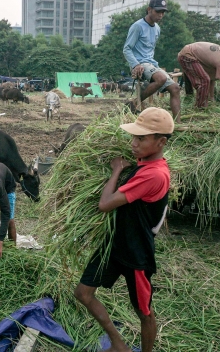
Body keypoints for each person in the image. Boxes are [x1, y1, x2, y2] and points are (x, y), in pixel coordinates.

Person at [74, 107, 174, 352]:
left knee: (144, 312)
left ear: (161, 142)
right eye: (133, 137)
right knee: (83, 293)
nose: (134, 143)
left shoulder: (154, 174)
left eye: (141, 138)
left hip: (136, 254)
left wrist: (116, 170)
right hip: (115, 244)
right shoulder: (143, 165)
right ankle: (119, 344)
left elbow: (105, 204)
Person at [123, 0, 181, 123]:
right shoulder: (137, 26)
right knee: (161, 78)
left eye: (163, 12)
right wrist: (135, 65)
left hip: (151, 64)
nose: (161, 15)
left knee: (175, 88)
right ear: (149, 9)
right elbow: (127, 49)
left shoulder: (157, 29)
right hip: (139, 63)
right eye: (158, 11)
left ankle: (178, 124)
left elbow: (150, 50)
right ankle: (134, 102)